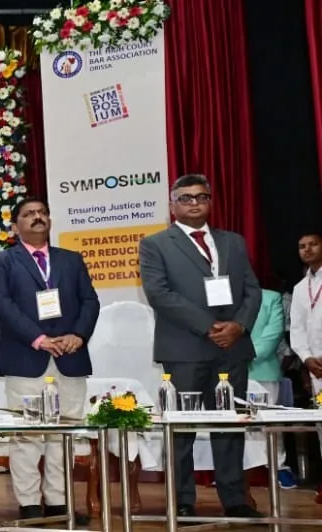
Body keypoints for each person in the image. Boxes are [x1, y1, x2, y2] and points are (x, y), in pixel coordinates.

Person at [138, 174, 262, 518]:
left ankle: (235, 500)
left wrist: (238, 326)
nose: (195, 203)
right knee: (181, 429)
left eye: (202, 197)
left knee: (229, 424)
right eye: (187, 198)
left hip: (232, 347)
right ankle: (182, 500)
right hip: (185, 349)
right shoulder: (156, 244)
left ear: (210, 201)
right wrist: (209, 327)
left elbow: (252, 289)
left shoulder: (233, 242)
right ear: (173, 204)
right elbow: (159, 294)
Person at [0, 197, 97, 524]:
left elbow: (90, 301)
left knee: (64, 435)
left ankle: (60, 503)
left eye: (42, 213)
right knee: (27, 438)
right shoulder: (3, 261)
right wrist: (39, 338)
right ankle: (30, 504)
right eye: (28, 214)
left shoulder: (71, 260)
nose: (37, 218)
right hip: (26, 356)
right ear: (15, 224)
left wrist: (78, 335)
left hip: (70, 357)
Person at [288, 230, 322, 503]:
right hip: (317, 368)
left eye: (313, 244)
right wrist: (306, 358)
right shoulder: (301, 288)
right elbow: (296, 330)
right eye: (302, 246)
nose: (307, 249)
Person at [249, 287, 293, 487]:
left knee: (269, 423)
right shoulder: (224, 293)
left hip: (262, 369)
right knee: (233, 424)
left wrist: (244, 354)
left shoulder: (271, 297)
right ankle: (238, 471)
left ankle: (278, 467)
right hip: (228, 371)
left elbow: (273, 334)